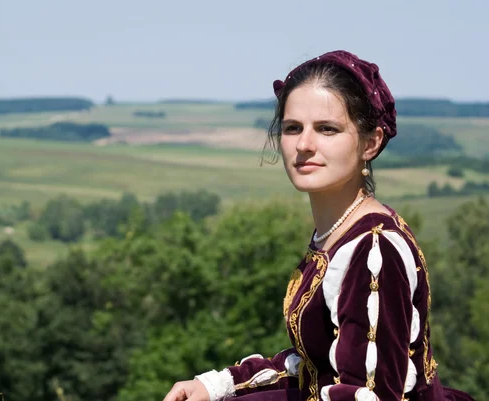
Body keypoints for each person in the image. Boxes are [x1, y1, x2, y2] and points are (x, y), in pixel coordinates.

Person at [162, 50, 476, 401]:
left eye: (328, 129)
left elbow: (368, 393)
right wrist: (216, 385)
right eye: (292, 128)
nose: (304, 145)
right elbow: (315, 362)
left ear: (370, 143)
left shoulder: (373, 249)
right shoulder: (335, 235)